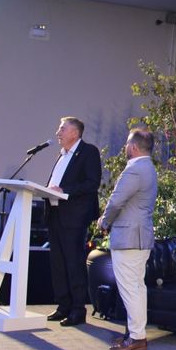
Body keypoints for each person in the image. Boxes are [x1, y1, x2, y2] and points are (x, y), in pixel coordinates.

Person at [98, 128, 157, 350]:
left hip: (129, 237)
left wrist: (104, 222)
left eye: (126, 144)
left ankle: (136, 337)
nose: (124, 148)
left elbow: (116, 201)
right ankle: (135, 334)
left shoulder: (134, 169)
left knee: (131, 288)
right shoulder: (149, 168)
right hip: (139, 237)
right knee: (137, 288)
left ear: (133, 147)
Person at [45, 116, 101, 327]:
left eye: (62, 129)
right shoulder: (62, 155)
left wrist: (64, 190)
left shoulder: (88, 152)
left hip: (74, 217)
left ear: (75, 133)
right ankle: (63, 305)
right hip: (55, 214)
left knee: (73, 262)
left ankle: (78, 309)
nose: (58, 133)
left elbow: (92, 183)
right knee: (58, 263)